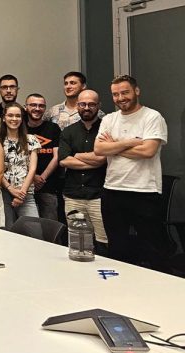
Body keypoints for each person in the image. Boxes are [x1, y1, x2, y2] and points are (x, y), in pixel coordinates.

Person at [94, 75, 171, 271]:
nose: (120, 98)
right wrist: (130, 142)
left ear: (136, 91)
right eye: (115, 94)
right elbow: (99, 150)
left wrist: (114, 145)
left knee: (153, 249)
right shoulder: (110, 119)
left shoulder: (152, 117)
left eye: (125, 92)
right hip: (112, 190)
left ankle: (161, 291)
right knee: (117, 249)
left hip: (144, 191)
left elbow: (148, 151)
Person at [58, 89, 108, 254]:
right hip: (73, 196)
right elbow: (64, 160)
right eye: (83, 104)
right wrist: (94, 160)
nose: (87, 107)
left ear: (98, 106)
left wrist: (77, 155)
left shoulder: (106, 130)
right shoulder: (68, 131)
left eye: (91, 104)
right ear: (77, 106)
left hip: (99, 196)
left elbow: (103, 159)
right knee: (78, 243)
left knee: (103, 242)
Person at [0, 103, 40, 228]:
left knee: (35, 233)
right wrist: (10, 189)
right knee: (7, 233)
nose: (14, 119)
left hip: (26, 194)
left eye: (18, 116)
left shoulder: (31, 139)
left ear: (22, 119)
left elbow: (32, 169)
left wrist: (21, 193)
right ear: (4, 118)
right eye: (10, 115)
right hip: (3, 193)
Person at [24, 93, 63, 221]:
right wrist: (32, 177)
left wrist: (41, 178)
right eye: (33, 105)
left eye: (41, 106)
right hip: (24, 186)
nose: (37, 108)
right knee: (28, 226)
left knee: (49, 225)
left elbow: (57, 156)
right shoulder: (20, 128)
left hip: (48, 186)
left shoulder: (53, 128)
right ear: (26, 107)